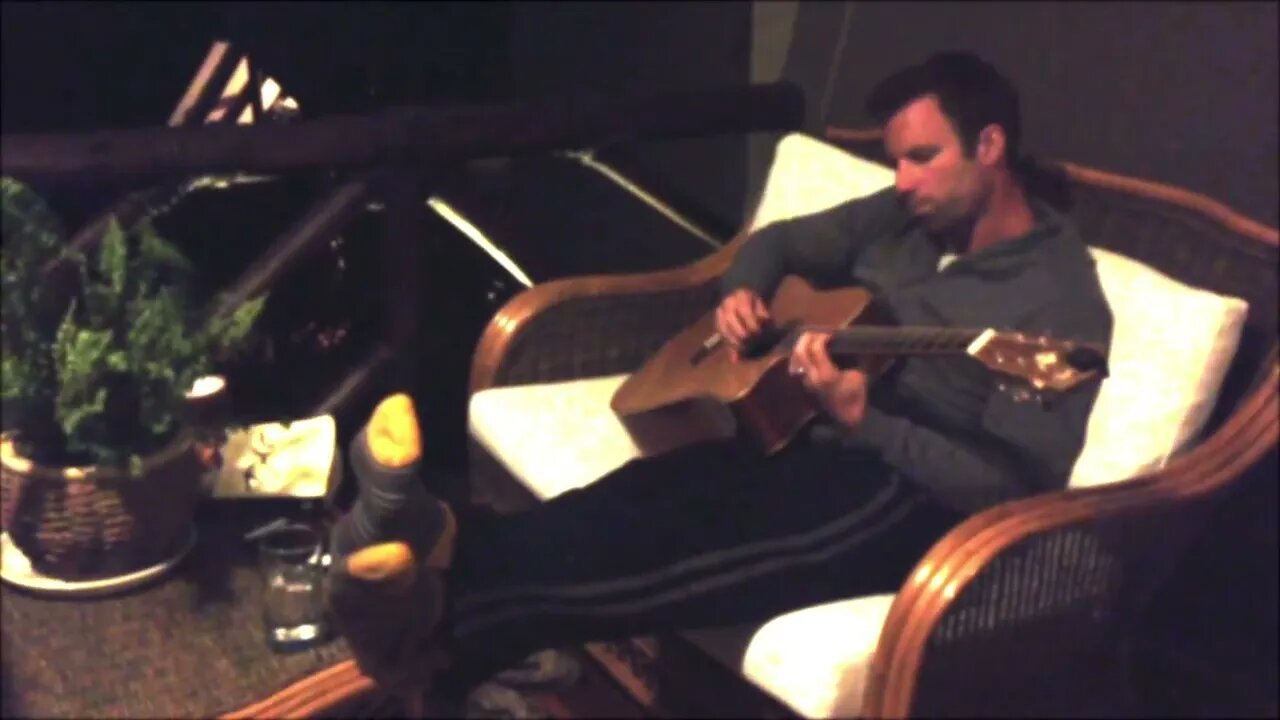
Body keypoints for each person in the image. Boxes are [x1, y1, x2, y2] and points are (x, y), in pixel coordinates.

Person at [323, 50, 1115, 703]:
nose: (902, 179)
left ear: (990, 146)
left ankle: (425, 625)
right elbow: (779, 243)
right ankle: (438, 542)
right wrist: (746, 290)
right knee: (629, 502)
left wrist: (866, 419)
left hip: (899, 501)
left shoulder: (1054, 307)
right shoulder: (908, 216)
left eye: (921, 157)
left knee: (658, 557)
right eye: (894, 160)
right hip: (802, 432)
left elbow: (1011, 489)